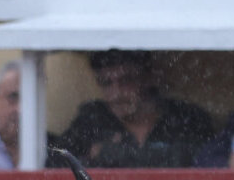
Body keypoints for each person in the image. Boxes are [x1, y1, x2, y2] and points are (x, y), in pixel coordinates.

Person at [60, 50, 213, 168]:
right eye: (106, 83)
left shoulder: (186, 118)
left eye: (126, 80)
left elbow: (200, 161)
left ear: (148, 78)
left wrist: (107, 153)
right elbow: (56, 163)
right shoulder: (93, 119)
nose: (116, 94)